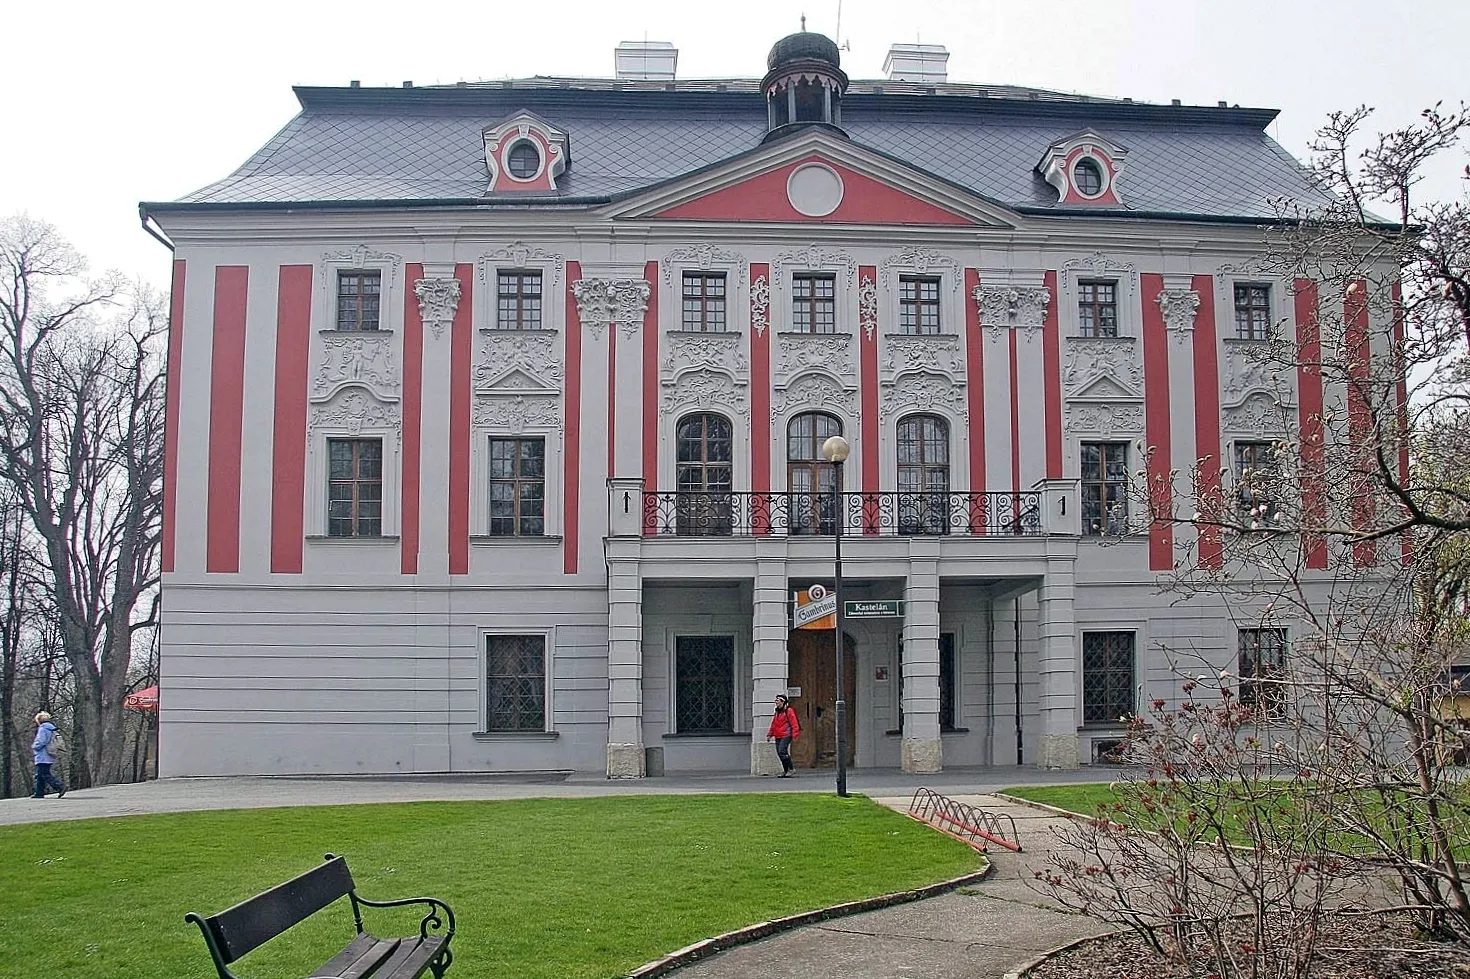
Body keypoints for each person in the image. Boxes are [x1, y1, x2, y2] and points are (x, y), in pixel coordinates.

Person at [31, 712, 66, 799]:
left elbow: (41, 741)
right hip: (50, 754)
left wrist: (34, 746)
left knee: (44, 774)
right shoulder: (51, 729)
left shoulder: (43, 729)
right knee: (40, 775)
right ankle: (39, 792)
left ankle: (59, 786)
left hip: (43, 755)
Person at [767, 695, 801, 778]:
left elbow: (794, 723)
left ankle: (791, 769)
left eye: (778, 700)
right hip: (778, 735)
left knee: (782, 751)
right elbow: (774, 724)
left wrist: (795, 734)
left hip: (786, 735)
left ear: (783, 702)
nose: (776, 702)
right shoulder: (777, 712)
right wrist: (770, 734)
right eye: (776, 700)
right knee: (780, 753)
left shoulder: (788, 711)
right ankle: (786, 771)